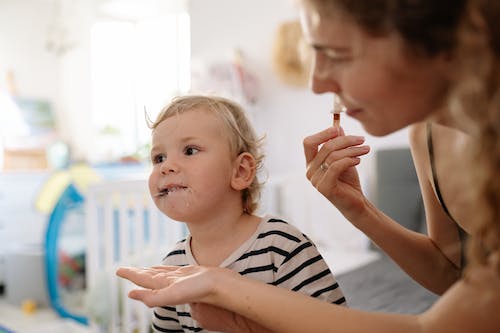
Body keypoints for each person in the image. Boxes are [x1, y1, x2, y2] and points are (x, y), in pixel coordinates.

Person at [117, 0, 500, 332]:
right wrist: (359, 210)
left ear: (436, 40)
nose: (316, 83)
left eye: (337, 53)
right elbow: (454, 275)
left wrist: (223, 286)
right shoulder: (428, 137)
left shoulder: (281, 246)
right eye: (159, 157)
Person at [145, 94, 346, 332]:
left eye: (189, 150)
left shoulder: (282, 246)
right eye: (159, 158)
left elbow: (335, 324)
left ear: (240, 171)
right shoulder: (173, 267)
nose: (166, 167)